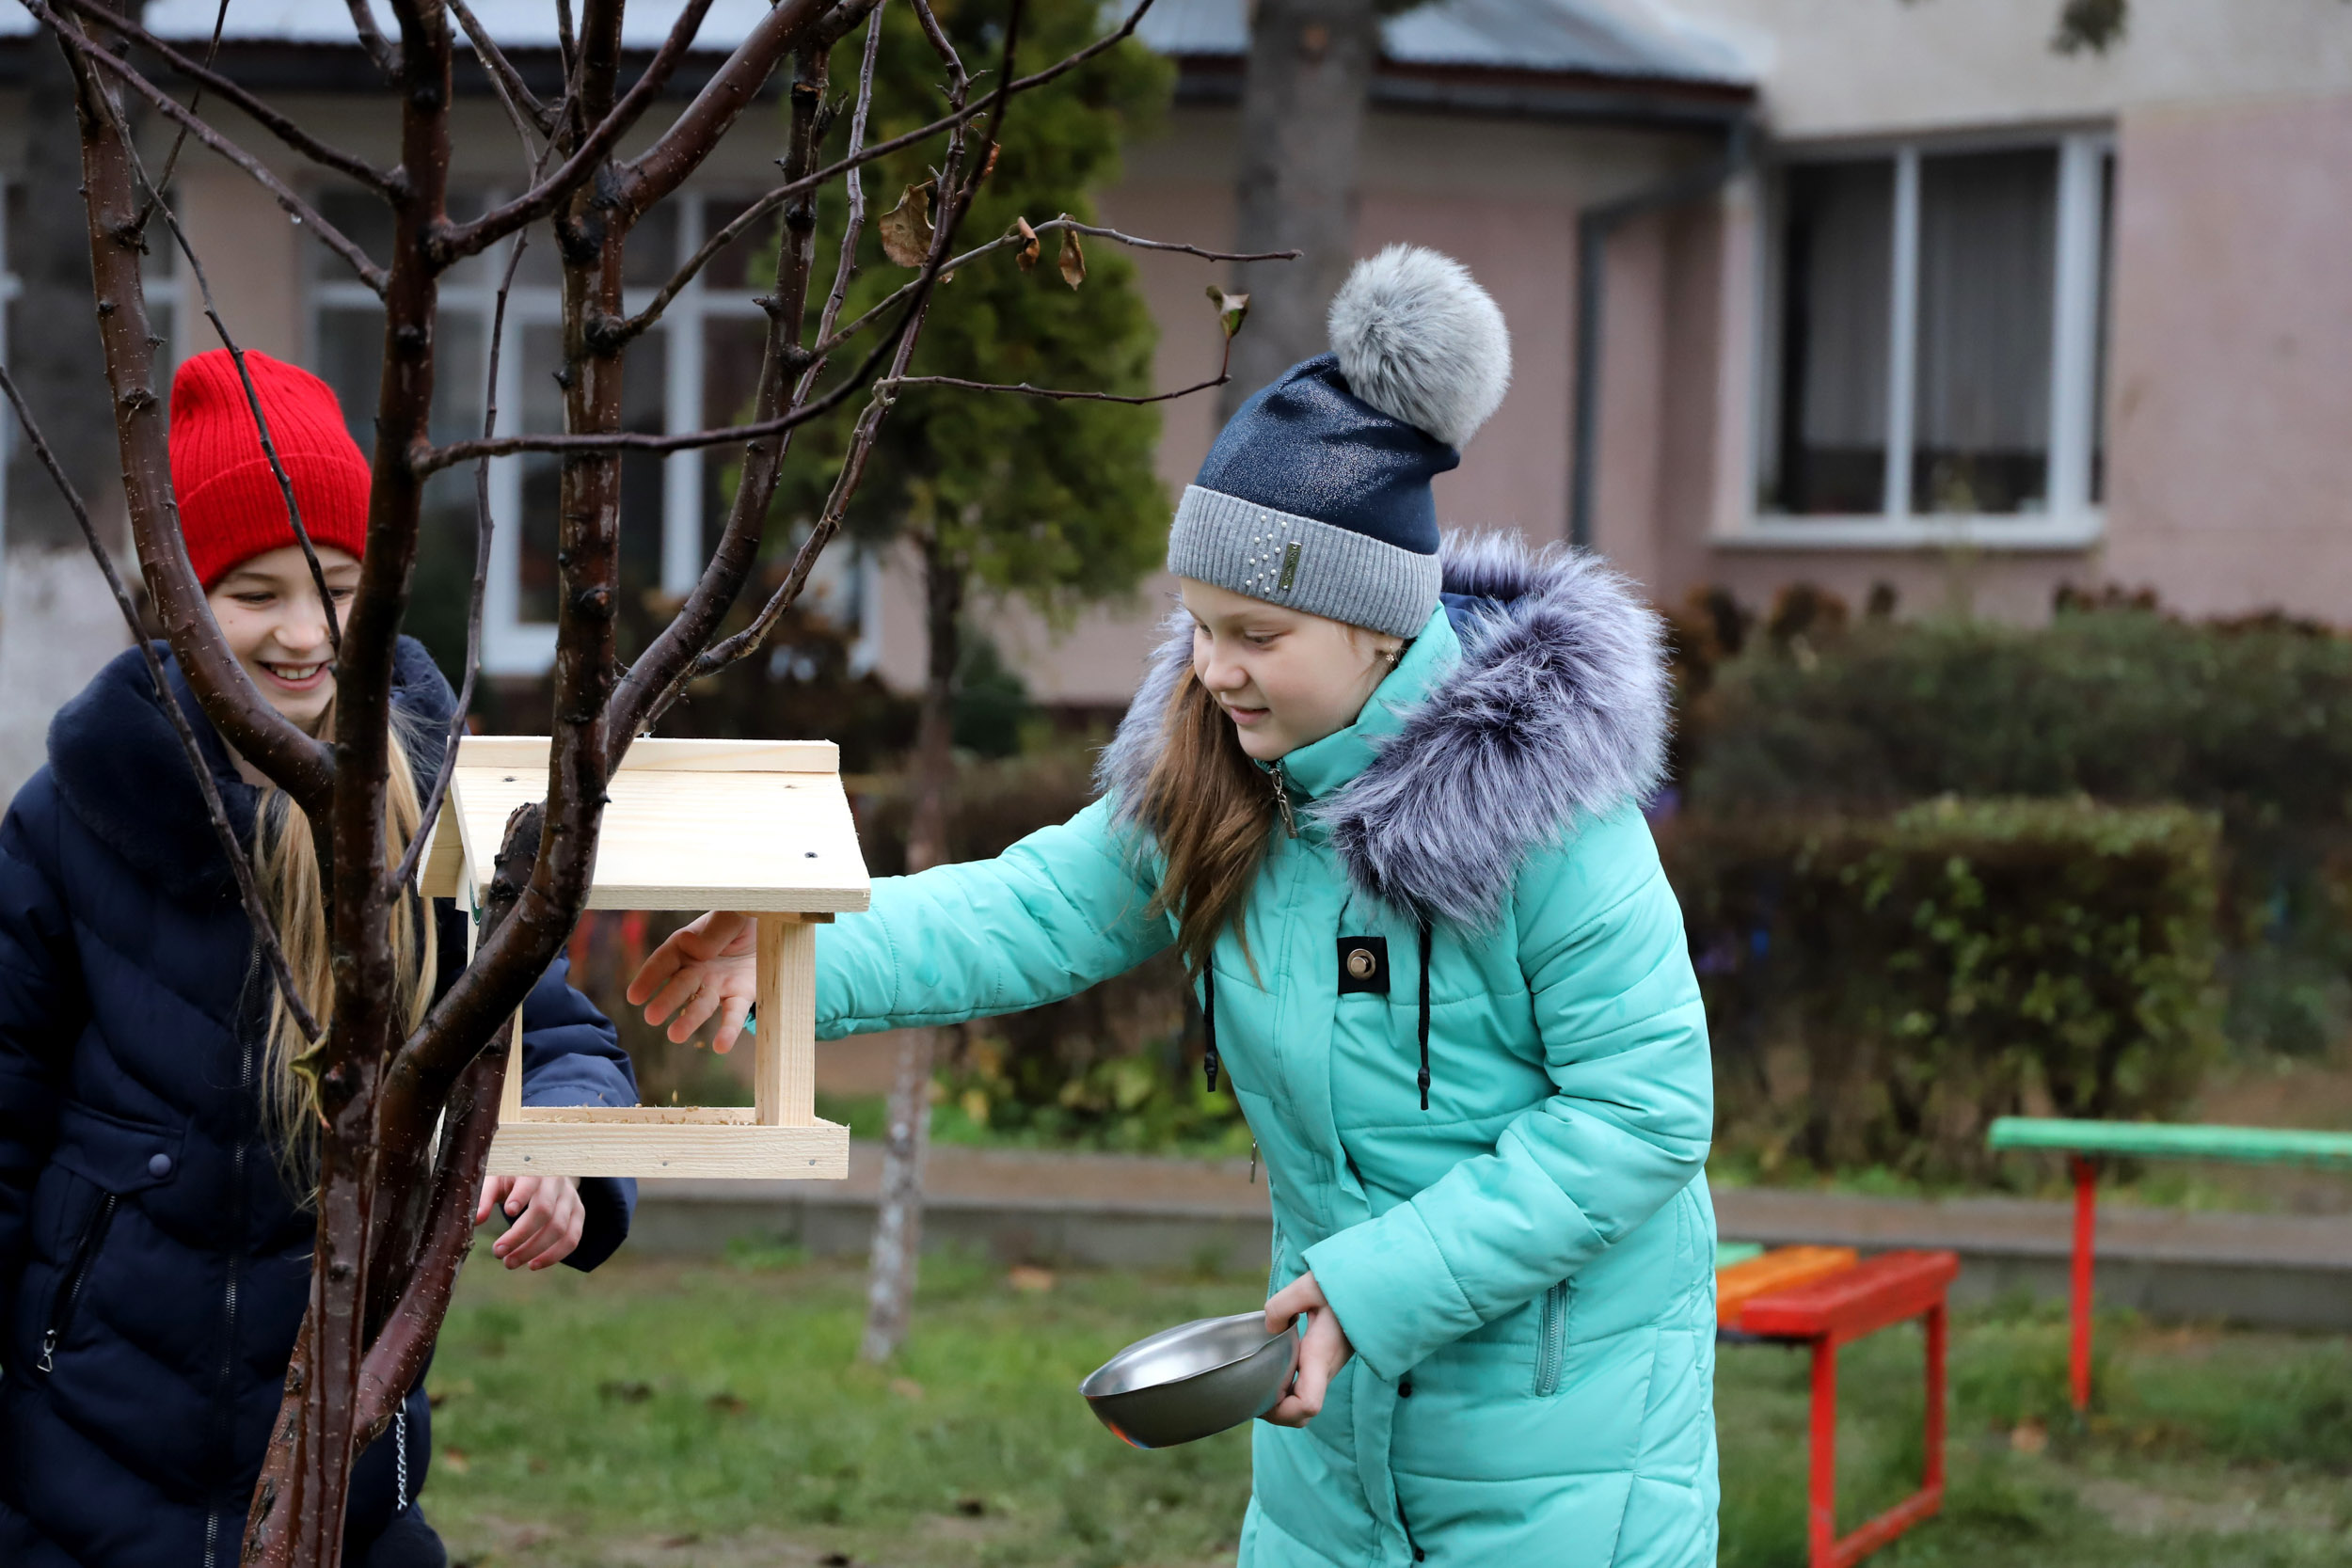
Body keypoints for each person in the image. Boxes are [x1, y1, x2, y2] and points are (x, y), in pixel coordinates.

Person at [631, 247, 1717, 1565]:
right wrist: (795, 949)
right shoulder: (1223, 780)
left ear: (1380, 626)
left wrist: (1373, 1293)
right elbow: (1032, 910)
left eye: (1258, 636)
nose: (1215, 672)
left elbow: (1644, 1111)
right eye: (1199, 627)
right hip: (1328, 1438)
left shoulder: (1547, 811)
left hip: (1564, 1452)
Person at [0, 349, 640, 1568]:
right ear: (175, 595)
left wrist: (566, 1157)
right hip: (77, 1482)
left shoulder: (433, 813)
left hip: (349, 1488)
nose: (305, 634)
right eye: (255, 592)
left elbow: (559, 1037)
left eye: (338, 586)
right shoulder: (68, 821)